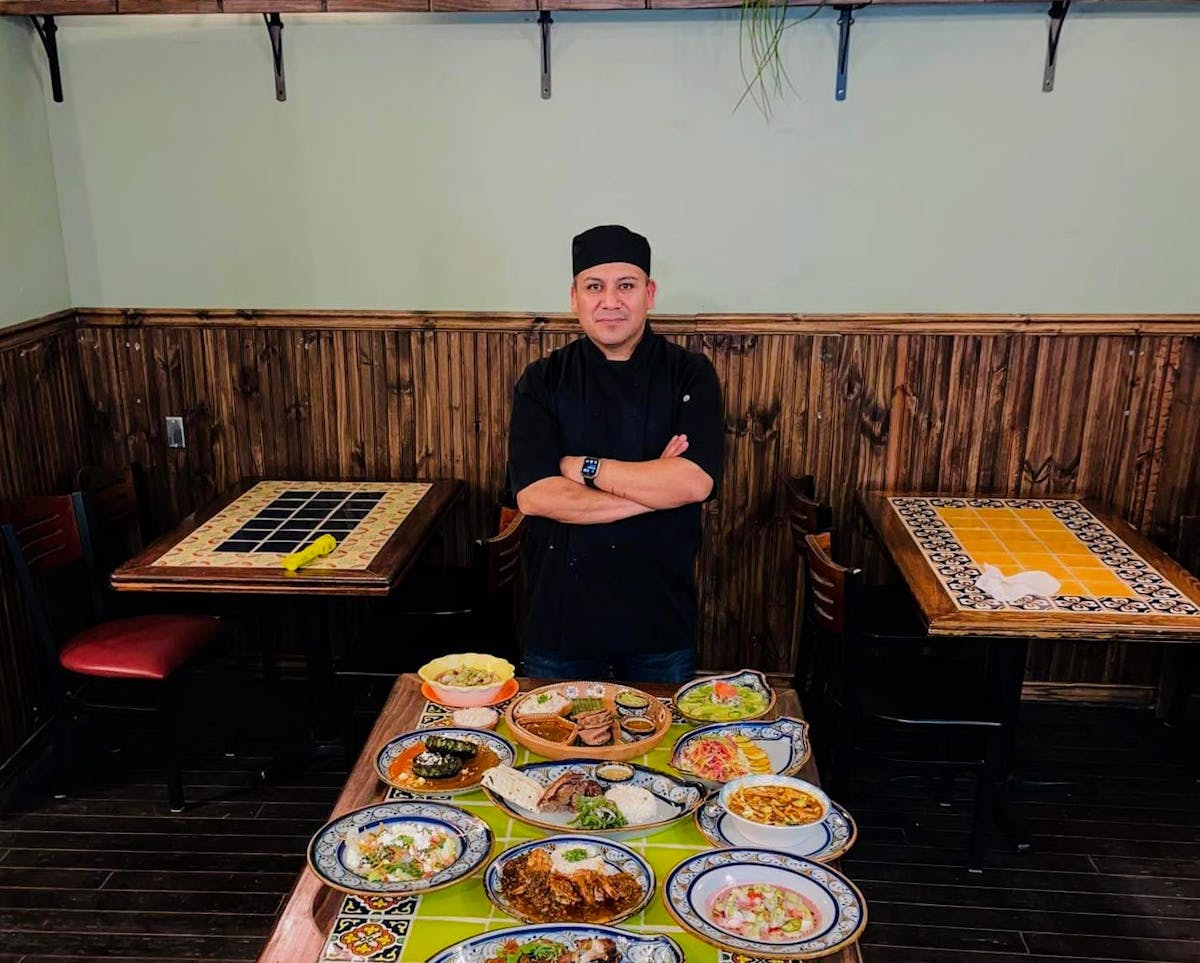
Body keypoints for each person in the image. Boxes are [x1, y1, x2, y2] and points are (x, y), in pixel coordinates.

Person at [506, 225, 724, 683]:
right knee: (553, 751)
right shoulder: (542, 379)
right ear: (574, 298)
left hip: (659, 618)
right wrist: (653, 490)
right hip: (561, 617)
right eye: (594, 287)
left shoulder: (690, 374)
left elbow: (694, 483)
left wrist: (584, 468)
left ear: (649, 293)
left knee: (660, 753)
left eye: (625, 285)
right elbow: (536, 496)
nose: (610, 301)